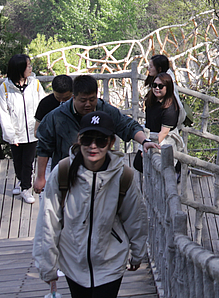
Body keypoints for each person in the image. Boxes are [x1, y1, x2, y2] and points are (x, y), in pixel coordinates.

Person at [33, 111, 148, 298]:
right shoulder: (63, 171)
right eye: (87, 139)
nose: (93, 146)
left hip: (111, 262)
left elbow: (135, 217)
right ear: (79, 139)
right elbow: (48, 220)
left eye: (101, 140)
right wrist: (47, 265)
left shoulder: (123, 176)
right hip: (73, 262)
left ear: (111, 142)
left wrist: (137, 252)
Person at [33, 75, 159, 195]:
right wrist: (40, 177)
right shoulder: (56, 116)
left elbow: (128, 126)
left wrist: (144, 141)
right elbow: (43, 148)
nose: (88, 104)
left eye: (92, 99)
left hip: (100, 176)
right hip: (68, 174)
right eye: (83, 100)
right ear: (73, 97)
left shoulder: (105, 110)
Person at [0, 54, 47, 204]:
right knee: (17, 161)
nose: (30, 68)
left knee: (28, 162)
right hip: (16, 132)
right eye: (28, 66)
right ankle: (21, 181)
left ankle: (26, 188)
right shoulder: (5, 88)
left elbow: (42, 105)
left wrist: (40, 128)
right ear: (19, 69)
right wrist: (11, 135)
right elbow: (3, 113)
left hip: (32, 131)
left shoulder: (35, 84)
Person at [134, 72, 181, 173]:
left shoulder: (170, 109)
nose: (157, 88)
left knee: (157, 165)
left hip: (163, 138)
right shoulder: (151, 99)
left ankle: (178, 170)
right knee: (138, 164)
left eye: (160, 86)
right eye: (154, 85)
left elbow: (164, 132)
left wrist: (151, 146)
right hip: (150, 134)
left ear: (168, 88)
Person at [145, 54, 186, 127]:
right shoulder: (155, 79)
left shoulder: (167, 83)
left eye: (151, 67)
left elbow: (177, 105)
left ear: (159, 69)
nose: (148, 69)